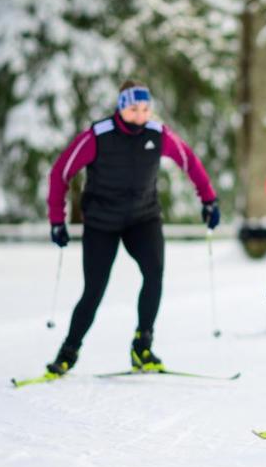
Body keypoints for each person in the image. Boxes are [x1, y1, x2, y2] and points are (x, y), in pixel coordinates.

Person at [43, 81, 220, 376]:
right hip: (102, 223)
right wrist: (57, 220)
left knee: (154, 274)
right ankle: (67, 353)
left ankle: (142, 347)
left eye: (146, 109)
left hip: (143, 218)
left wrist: (209, 200)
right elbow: (61, 172)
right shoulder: (98, 136)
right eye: (133, 109)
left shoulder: (157, 134)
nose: (140, 115)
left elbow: (189, 161)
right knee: (94, 291)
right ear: (121, 107)